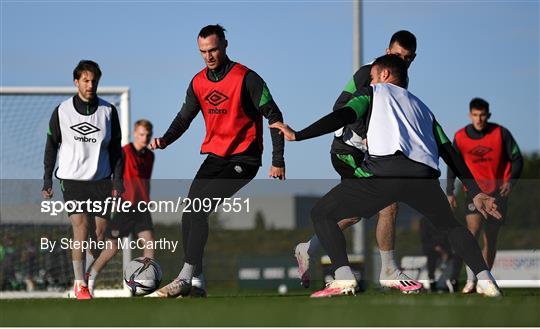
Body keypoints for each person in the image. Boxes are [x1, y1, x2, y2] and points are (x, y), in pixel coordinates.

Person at [271, 54, 502, 298]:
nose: (369, 81)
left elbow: (343, 115)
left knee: (321, 212)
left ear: (384, 75)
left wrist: (298, 135)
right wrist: (475, 191)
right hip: (424, 177)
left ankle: (343, 277)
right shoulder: (423, 108)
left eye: (371, 77)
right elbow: (449, 151)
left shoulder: (372, 93)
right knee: (451, 226)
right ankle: (486, 279)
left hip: (387, 172)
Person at [149, 24, 285, 298]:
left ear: (224, 45)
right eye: (203, 52)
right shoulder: (198, 82)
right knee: (189, 213)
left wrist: (277, 159)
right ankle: (197, 282)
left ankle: (185, 277)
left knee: (198, 208)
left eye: (213, 50)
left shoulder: (247, 78)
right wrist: (165, 139)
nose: (208, 56)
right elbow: (184, 118)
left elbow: (274, 115)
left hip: (244, 159)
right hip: (214, 158)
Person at [294, 30, 422, 293]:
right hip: (348, 152)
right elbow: (340, 107)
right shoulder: (369, 74)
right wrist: (367, 135)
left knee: (354, 214)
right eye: (398, 56)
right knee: (387, 204)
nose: (403, 61)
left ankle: (309, 248)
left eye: (408, 58)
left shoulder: (400, 82)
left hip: (370, 157)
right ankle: (386, 269)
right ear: (388, 53)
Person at [42, 60, 123, 299]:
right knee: (81, 227)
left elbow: (116, 150)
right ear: (76, 82)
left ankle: (86, 277)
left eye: (94, 81)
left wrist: (118, 181)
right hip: (72, 179)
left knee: (98, 236)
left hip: (101, 180)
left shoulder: (108, 111)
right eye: (86, 80)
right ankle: (79, 285)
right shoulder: (62, 111)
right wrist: (47, 179)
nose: (90, 85)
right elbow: (51, 146)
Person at [446, 98, 522, 294]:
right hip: (473, 192)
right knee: (473, 231)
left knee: (491, 239)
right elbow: (453, 163)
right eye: (475, 115)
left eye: (482, 115)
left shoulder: (500, 133)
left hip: (497, 194)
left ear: (488, 115)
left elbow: (517, 159)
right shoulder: (461, 136)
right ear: (470, 115)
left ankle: (485, 281)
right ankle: (472, 280)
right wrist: (449, 191)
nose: (478, 119)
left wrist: (510, 182)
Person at [86, 119, 156, 296]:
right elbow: (114, 177)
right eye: (141, 134)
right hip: (123, 206)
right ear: (134, 134)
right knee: (112, 248)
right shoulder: (123, 152)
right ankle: (90, 278)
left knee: (149, 244)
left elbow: (145, 182)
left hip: (141, 208)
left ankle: (145, 285)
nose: (145, 138)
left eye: (148, 135)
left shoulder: (150, 156)